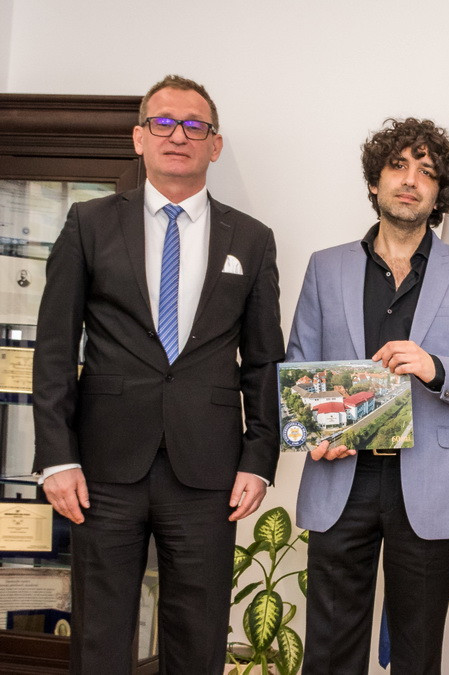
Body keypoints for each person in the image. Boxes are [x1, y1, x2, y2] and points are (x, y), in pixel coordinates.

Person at [32, 74, 284, 672]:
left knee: (198, 639)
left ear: (214, 145)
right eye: (164, 123)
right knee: (100, 637)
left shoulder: (252, 239)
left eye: (195, 126)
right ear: (139, 138)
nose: (178, 135)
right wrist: (57, 457)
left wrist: (258, 459)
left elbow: (263, 361)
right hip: (102, 468)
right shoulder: (89, 223)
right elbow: (55, 347)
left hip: (208, 473)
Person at [287, 117, 449, 673]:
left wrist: (435, 368)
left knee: (417, 654)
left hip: (429, 483)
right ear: (375, 180)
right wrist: (315, 433)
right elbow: (299, 369)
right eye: (398, 166)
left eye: (427, 172)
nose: (411, 180)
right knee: (329, 651)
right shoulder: (325, 266)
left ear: (441, 193)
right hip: (340, 476)